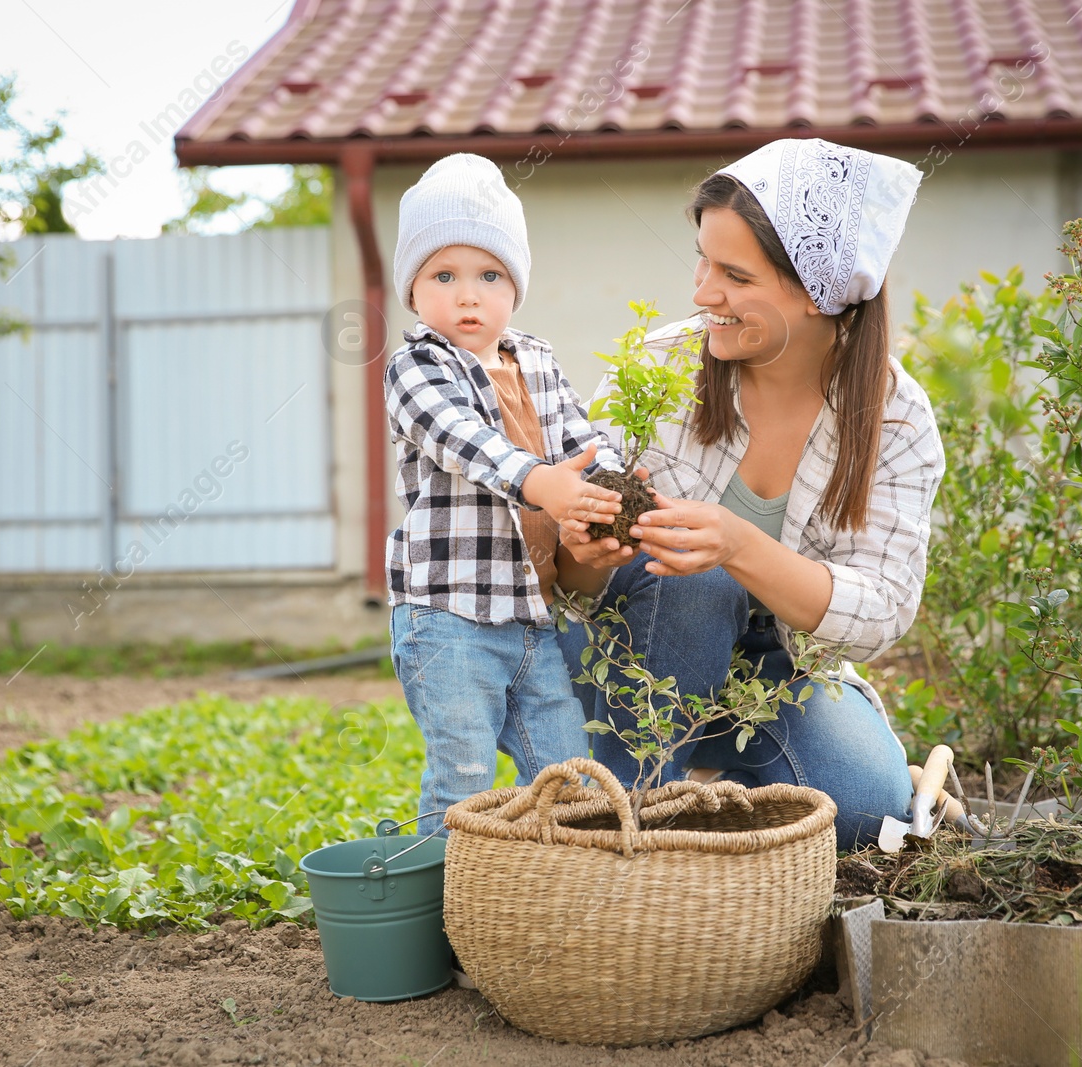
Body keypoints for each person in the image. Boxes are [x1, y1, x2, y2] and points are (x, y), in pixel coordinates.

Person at [557, 138, 944, 848]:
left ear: (815, 290)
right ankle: (620, 822)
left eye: (733, 274)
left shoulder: (897, 416)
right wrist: (584, 548)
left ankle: (701, 772)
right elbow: (575, 585)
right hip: (632, 654)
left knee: (866, 807)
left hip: (775, 672)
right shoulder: (661, 369)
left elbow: (884, 606)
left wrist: (740, 544)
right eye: (702, 260)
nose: (703, 291)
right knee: (695, 578)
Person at [384, 153, 626, 833]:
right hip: (449, 617)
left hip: (531, 617)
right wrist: (541, 480)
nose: (468, 295)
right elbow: (460, 437)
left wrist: (608, 484)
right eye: (444, 275)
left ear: (515, 287)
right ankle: (445, 913)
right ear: (413, 290)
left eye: (490, 275)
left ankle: (552, 902)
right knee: (462, 774)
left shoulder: (537, 360)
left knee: (566, 772)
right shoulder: (415, 367)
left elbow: (583, 437)